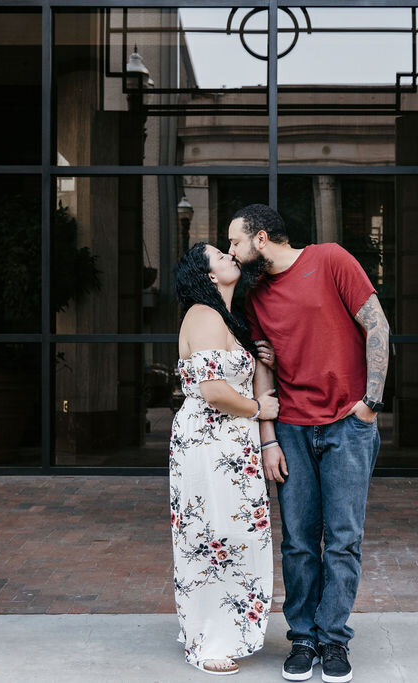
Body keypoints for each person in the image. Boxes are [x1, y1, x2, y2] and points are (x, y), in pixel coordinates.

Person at [228, 204, 390, 683]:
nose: (233, 252)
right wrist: (268, 440)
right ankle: (303, 638)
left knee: (343, 540)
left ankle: (334, 639)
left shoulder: (331, 258)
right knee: (299, 542)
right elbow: (264, 368)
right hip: (293, 430)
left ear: (260, 238)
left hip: (347, 423)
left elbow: (377, 326)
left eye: (235, 242)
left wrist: (369, 405)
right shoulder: (256, 297)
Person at [169, 242, 280, 676]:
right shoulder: (204, 314)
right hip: (208, 443)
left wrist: (261, 358)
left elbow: (238, 375)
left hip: (233, 447)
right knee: (210, 537)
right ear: (208, 274)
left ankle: (225, 630)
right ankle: (207, 639)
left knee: (235, 536)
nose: (232, 256)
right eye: (220, 255)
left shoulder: (228, 319)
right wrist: (259, 410)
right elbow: (214, 391)